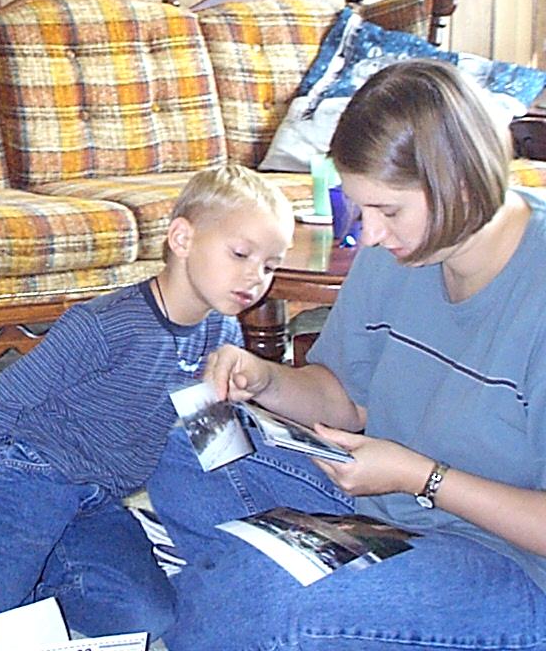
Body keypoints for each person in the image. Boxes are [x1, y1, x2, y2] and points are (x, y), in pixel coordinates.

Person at [145, 59, 546, 650]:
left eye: (389, 211)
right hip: (386, 508)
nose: (371, 234)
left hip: (511, 563)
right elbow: (345, 399)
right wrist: (264, 380)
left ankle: (260, 603)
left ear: (459, 184)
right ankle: (264, 603)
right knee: (189, 439)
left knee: (261, 597)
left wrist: (421, 477)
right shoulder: (401, 251)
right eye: (363, 208)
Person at [0, 164, 296, 651]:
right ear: (182, 238)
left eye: (270, 265)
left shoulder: (222, 334)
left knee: (145, 619)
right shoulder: (103, 325)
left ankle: (22, 579)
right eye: (241, 254)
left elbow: (215, 448)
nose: (255, 277)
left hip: (95, 500)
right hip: (25, 480)